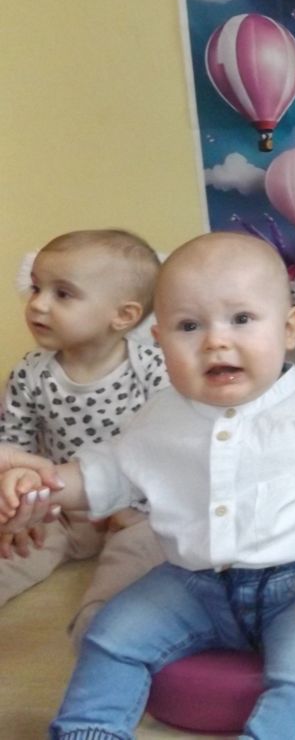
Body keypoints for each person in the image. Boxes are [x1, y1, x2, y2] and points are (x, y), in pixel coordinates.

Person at [0, 231, 295, 739]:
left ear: (288, 328)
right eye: (189, 326)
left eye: (242, 319)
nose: (216, 341)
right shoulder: (159, 417)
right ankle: (89, 729)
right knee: (109, 635)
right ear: (159, 340)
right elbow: (107, 471)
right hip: (194, 582)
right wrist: (39, 484)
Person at [0, 229, 168, 649]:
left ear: (124, 316)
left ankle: (103, 635)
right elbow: (15, 447)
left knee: (135, 566)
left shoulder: (153, 368)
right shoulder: (31, 373)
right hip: (60, 509)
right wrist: (19, 503)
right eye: (36, 288)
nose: (38, 304)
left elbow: (171, 443)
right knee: (14, 549)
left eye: (62, 294)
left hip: (138, 510)